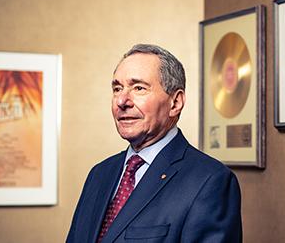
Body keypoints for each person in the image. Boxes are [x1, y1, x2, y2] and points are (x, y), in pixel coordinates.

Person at [66, 44, 242, 243]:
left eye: (139, 88)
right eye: (117, 88)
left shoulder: (210, 181)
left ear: (175, 103)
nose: (122, 101)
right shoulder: (99, 174)